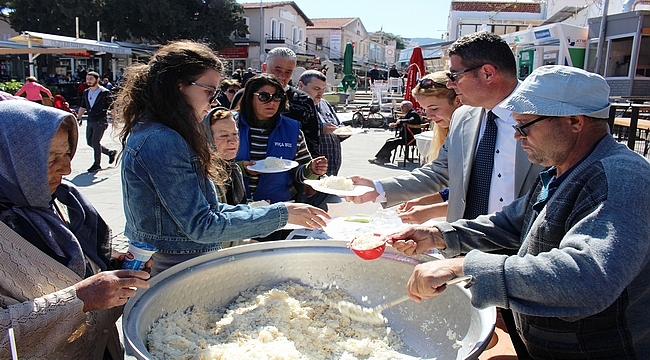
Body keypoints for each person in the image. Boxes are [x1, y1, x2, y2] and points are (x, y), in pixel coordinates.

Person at [389, 65, 650, 359]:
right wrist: (439, 234)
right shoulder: (561, 170)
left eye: (524, 125)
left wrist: (463, 267)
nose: (516, 136)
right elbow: (511, 223)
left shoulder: (621, 178)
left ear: (574, 121)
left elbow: (588, 276)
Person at [347, 32, 545, 356]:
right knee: (477, 332)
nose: (450, 84)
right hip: (462, 246)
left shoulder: (544, 117)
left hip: (523, 256)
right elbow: (440, 172)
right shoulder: (465, 117)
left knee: (526, 341)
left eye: (454, 75)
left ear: (487, 73)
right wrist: (379, 189)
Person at [114, 41, 329, 276]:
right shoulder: (162, 140)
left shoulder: (165, 132)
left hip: (183, 260)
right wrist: (281, 215)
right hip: (175, 267)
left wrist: (282, 211)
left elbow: (212, 209)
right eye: (209, 91)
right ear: (178, 86)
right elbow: (202, 224)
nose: (214, 100)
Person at [0, 100, 151, 359]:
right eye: (49, 159)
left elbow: (73, 267)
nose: (68, 169)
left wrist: (117, 269)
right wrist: (79, 299)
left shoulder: (56, 203)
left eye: (67, 154)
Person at [233, 73, 328, 204]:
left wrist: (312, 169)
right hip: (234, 207)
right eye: (264, 97)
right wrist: (239, 169)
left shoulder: (292, 130)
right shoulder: (229, 126)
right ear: (250, 97)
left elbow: (298, 170)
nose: (271, 103)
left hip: (278, 206)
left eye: (277, 97)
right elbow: (211, 166)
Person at [396, 72, 462, 224]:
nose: (428, 115)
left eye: (434, 108)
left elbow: (477, 193)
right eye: (425, 109)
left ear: (458, 101)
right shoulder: (450, 131)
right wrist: (422, 201)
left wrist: (430, 209)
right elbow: (452, 186)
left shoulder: (474, 132)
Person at [233, 47, 321, 158]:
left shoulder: (303, 101)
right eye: (277, 70)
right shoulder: (243, 95)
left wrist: (312, 170)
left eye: (288, 72)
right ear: (264, 67)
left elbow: (312, 142)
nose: (282, 77)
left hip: (289, 170)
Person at [298, 69, 346, 176]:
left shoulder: (324, 104)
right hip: (308, 171)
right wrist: (320, 129)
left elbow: (338, 125)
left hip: (331, 169)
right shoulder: (295, 105)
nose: (320, 93)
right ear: (301, 85)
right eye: (316, 89)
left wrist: (343, 131)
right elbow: (292, 132)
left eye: (323, 89)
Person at [77, 71, 117, 172]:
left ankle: (96, 164)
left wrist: (115, 119)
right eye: (87, 79)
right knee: (90, 142)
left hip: (100, 120)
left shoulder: (104, 92)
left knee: (95, 141)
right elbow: (83, 106)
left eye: (91, 79)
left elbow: (112, 107)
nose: (88, 81)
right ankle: (110, 152)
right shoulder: (86, 92)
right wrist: (78, 117)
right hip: (90, 120)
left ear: (97, 79)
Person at [205, 107, 246, 206]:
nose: (233, 141)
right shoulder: (205, 176)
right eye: (223, 135)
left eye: (235, 134)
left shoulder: (234, 170)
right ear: (206, 138)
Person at [368, 100, 422, 165]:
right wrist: (395, 124)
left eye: (403, 107)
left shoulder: (413, 114)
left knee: (390, 142)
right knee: (389, 140)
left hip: (410, 138)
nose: (401, 109)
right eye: (401, 107)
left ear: (409, 107)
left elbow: (411, 121)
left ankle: (382, 158)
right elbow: (404, 123)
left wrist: (400, 121)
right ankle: (384, 157)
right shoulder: (408, 114)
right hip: (405, 136)